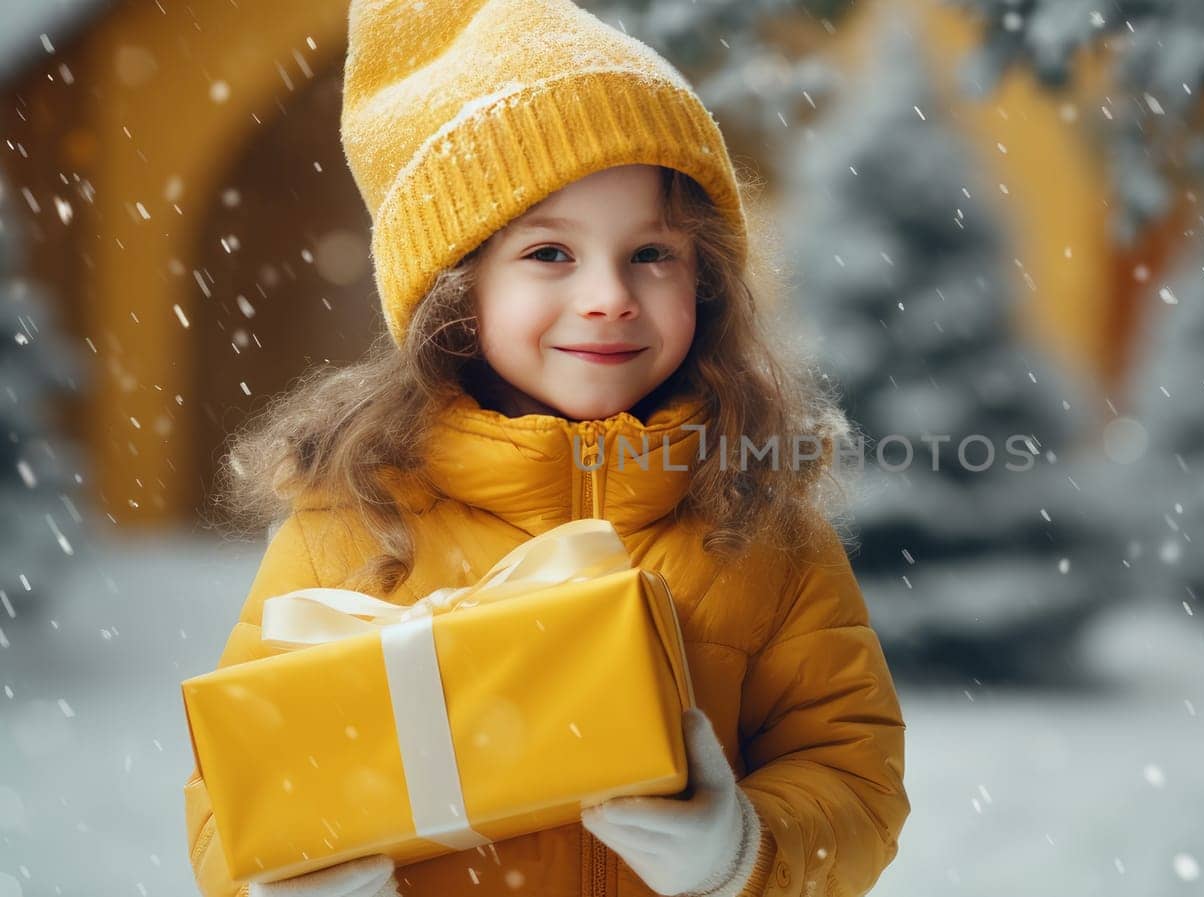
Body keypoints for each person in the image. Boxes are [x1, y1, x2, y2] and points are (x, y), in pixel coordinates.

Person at [181, 1, 910, 896]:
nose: (608, 294)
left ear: (706, 281)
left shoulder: (759, 526)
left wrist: (741, 848)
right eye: (551, 254)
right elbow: (229, 790)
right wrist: (276, 874)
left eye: (651, 252)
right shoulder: (356, 522)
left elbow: (855, 777)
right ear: (457, 290)